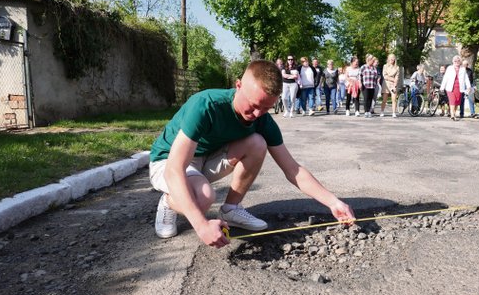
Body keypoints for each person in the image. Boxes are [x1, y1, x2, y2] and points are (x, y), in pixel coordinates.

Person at [149, 60, 355, 246]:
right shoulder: (206, 105)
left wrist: (333, 202)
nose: (257, 114)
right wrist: (202, 225)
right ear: (238, 85)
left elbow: (293, 169)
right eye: (254, 105)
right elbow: (174, 169)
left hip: (206, 159)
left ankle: (231, 209)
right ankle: (168, 202)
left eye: (266, 108)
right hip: (168, 160)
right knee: (203, 197)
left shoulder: (262, 120)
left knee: (257, 143)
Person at [440, 55, 471, 121]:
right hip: (451, 87)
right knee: (452, 101)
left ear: (460, 62)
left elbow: (466, 78)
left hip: (459, 88)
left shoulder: (463, 69)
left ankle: (453, 113)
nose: (457, 62)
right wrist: (442, 87)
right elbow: (445, 78)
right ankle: (452, 115)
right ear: (453, 61)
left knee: (457, 102)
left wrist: (468, 86)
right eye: (455, 61)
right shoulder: (449, 68)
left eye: (458, 60)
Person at [359, 54, 378, 118]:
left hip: (372, 85)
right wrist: (360, 83)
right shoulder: (363, 67)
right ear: (368, 60)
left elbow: (376, 76)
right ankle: (366, 111)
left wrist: (375, 84)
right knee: (366, 98)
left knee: (370, 99)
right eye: (372, 60)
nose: (373, 62)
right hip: (365, 85)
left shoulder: (374, 68)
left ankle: (369, 111)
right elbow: (360, 76)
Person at [381, 53, 399, 117]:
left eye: (393, 58)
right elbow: (385, 76)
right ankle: (382, 111)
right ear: (388, 59)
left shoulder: (397, 67)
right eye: (390, 58)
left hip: (393, 84)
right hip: (386, 84)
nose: (392, 59)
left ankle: (394, 112)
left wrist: (395, 83)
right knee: (384, 100)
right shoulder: (385, 66)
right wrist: (393, 79)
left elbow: (397, 77)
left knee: (394, 99)